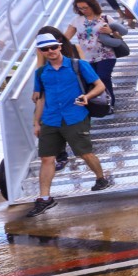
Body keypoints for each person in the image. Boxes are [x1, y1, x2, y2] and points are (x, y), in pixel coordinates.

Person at [28, 32, 111, 217]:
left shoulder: (78, 65)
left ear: (59, 45)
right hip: (50, 119)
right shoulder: (41, 73)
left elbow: (100, 86)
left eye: (53, 47)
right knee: (47, 159)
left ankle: (101, 178)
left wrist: (87, 97)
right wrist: (36, 122)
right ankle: (44, 198)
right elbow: (40, 99)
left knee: (85, 153)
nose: (50, 51)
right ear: (41, 51)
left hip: (75, 116)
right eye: (45, 49)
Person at [33, 26, 84, 172]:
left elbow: (85, 65)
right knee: (50, 120)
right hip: (53, 89)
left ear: (59, 41)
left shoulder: (75, 48)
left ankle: (76, 147)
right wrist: (36, 89)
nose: (49, 49)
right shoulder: (43, 52)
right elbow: (39, 69)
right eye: (43, 46)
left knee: (72, 122)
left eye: (53, 44)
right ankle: (61, 154)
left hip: (74, 91)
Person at [65, 0, 126, 111]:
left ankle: (110, 103)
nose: (83, 10)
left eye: (85, 7)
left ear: (92, 6)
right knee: (93, 80)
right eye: (80, 8)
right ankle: (98, 103)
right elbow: (66, 37)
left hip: (106, 54)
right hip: (87, 57)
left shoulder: (105, 18)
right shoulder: (76, 20)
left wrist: (110, 31)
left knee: (103, 77)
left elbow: (120, 38)